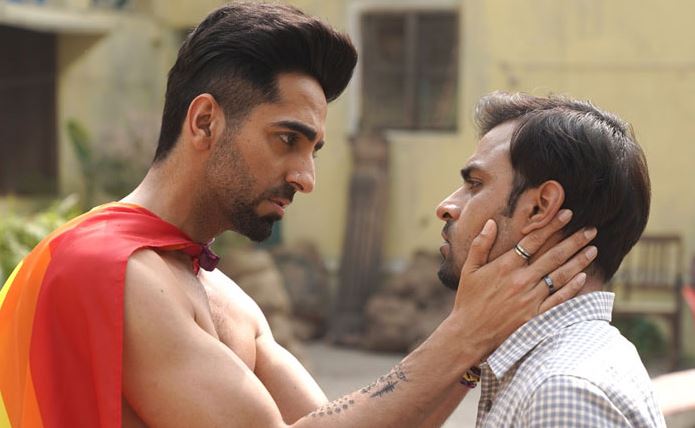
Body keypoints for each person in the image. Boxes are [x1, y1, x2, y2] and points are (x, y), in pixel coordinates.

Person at [0, 4, 596, 427]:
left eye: (314, 150)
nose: (306, 177)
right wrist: (466, 334)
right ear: (204, 121)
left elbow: (340, 420)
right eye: (288, 140)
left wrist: (474, 345)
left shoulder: (216, 289)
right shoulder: (110, 271)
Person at [435, 91, 666, 427]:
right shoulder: (565, 365)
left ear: (540, 207)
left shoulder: (562, 392)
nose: (446, 207)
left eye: (474, 184)